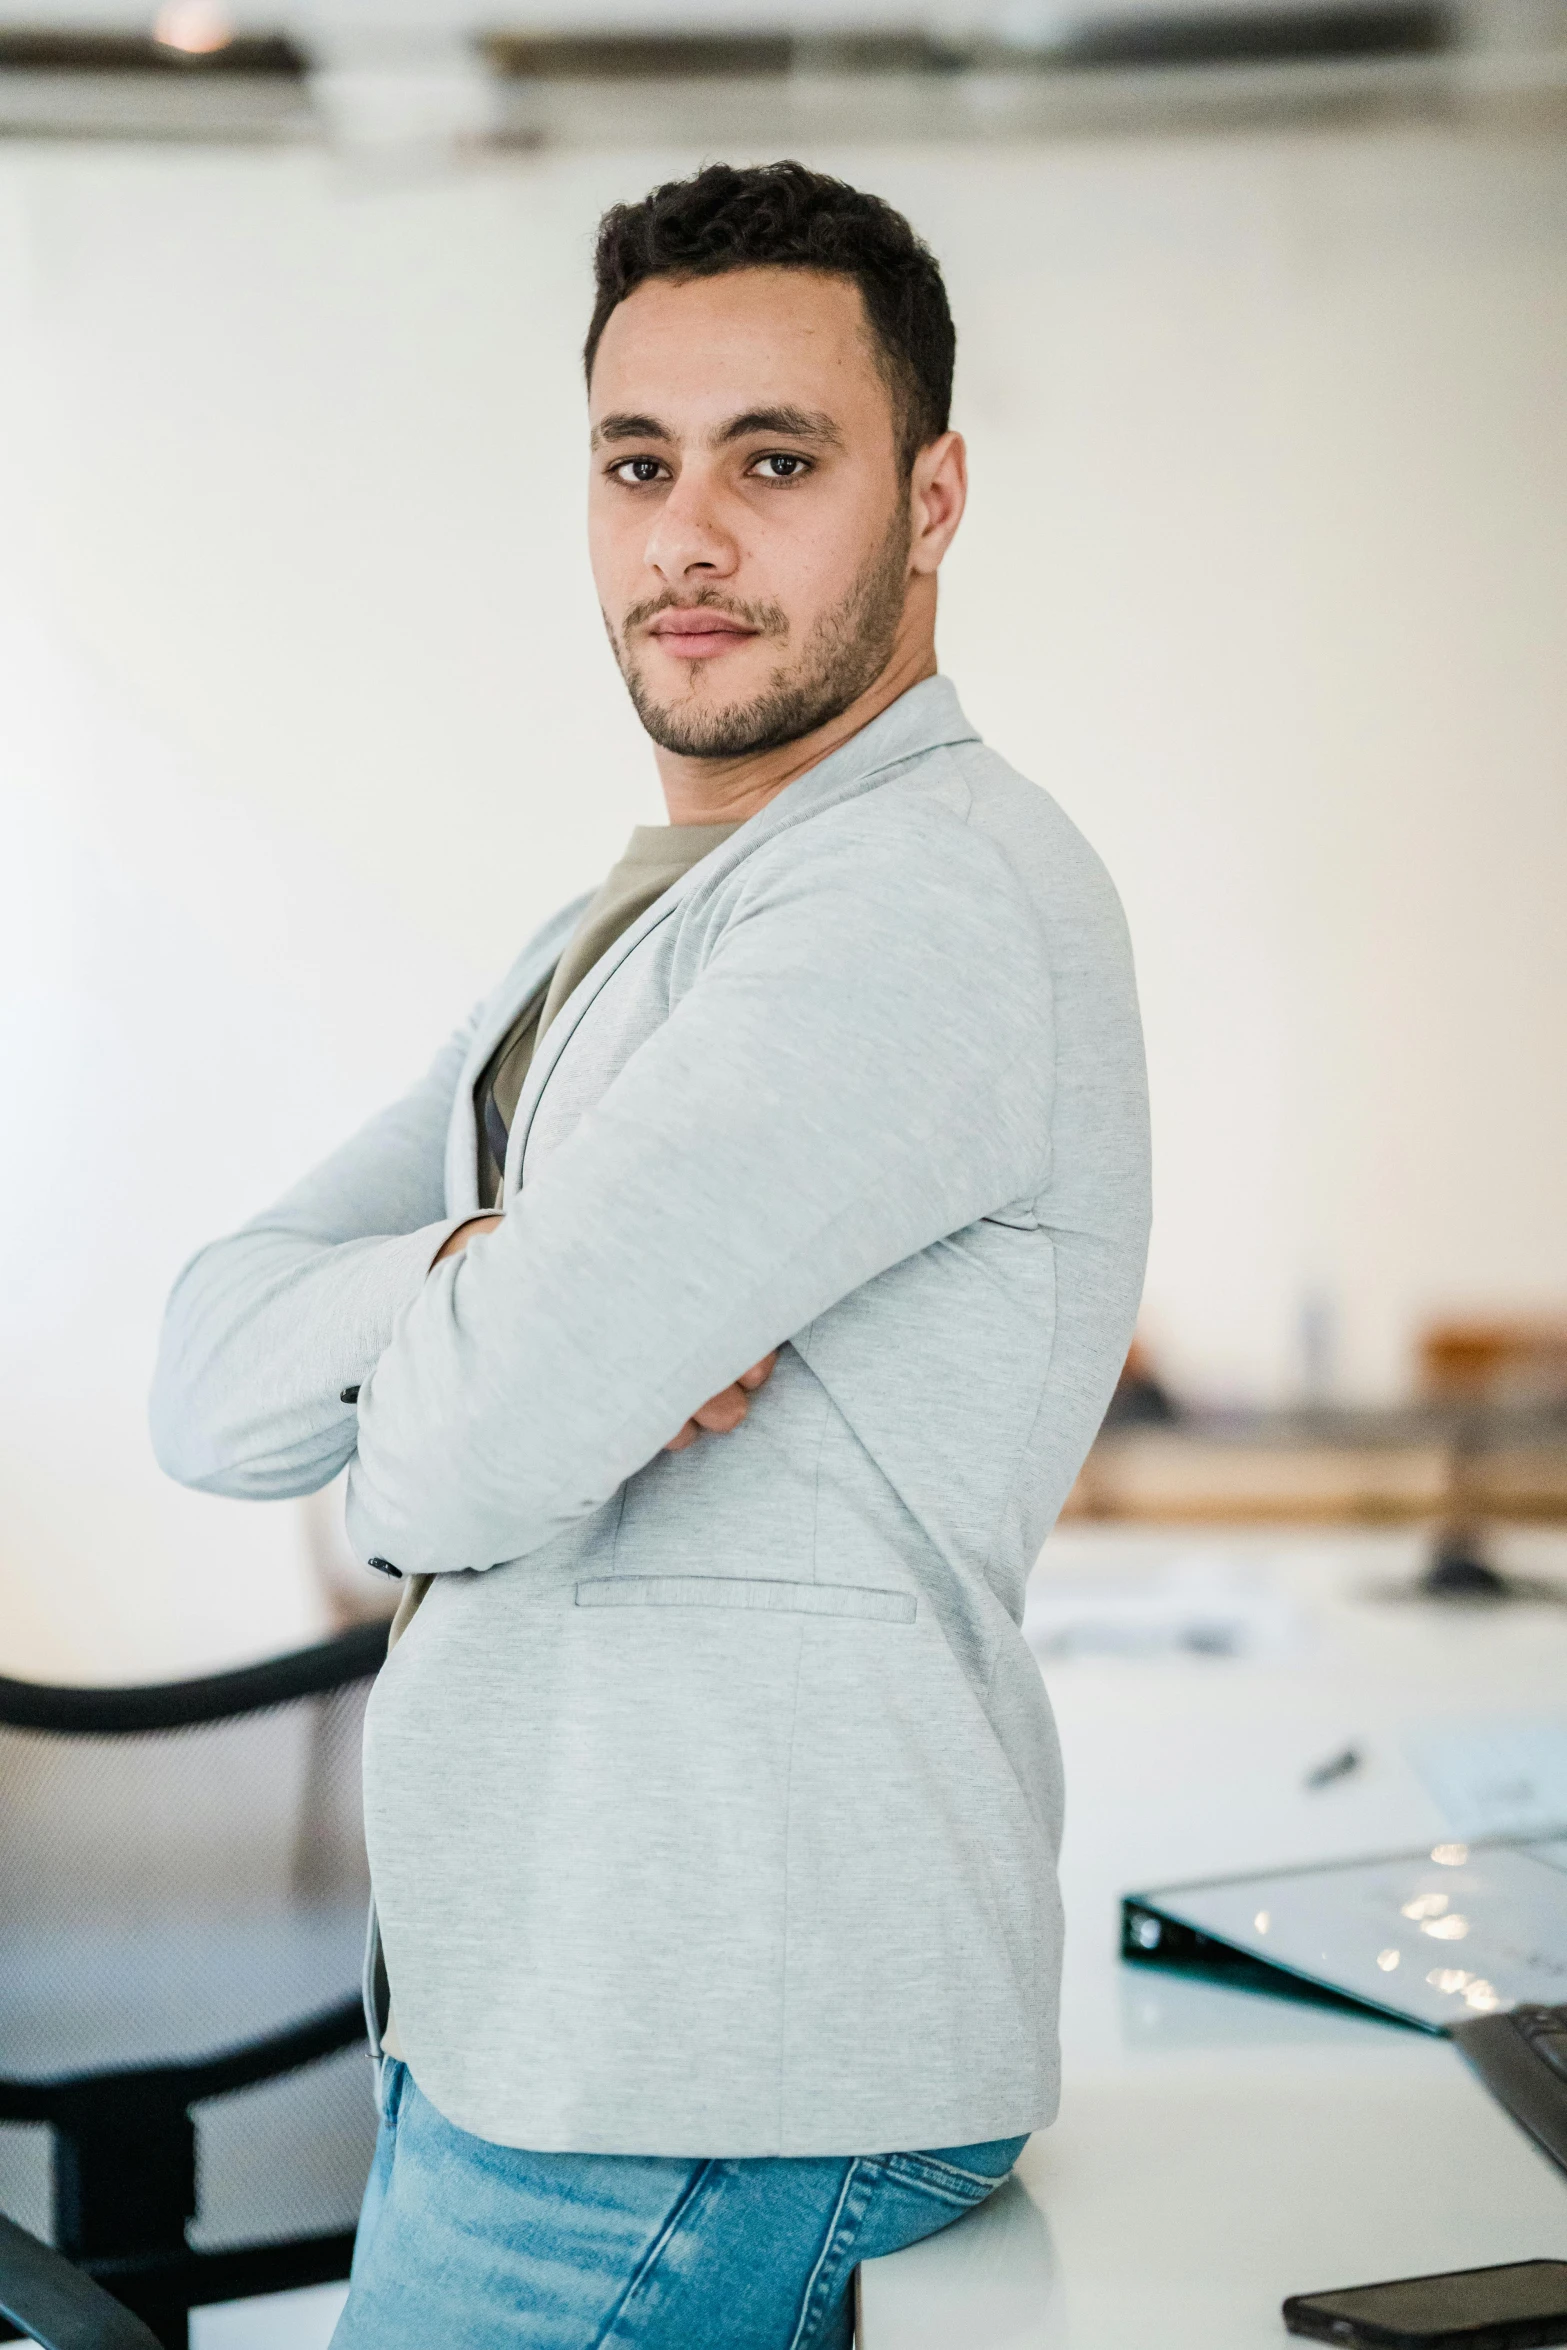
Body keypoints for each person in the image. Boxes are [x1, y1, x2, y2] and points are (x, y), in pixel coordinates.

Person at [151, 159, 1150, 2350]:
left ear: (935, 492)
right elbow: (206, 1379)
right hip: (545, 2039)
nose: (687, 535)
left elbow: (449, 1472)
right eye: (638, 461)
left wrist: (470, 1371)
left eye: (775, 461)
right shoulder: (626, 924)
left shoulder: (918, 897)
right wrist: (489, 1274)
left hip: (711, 2079)